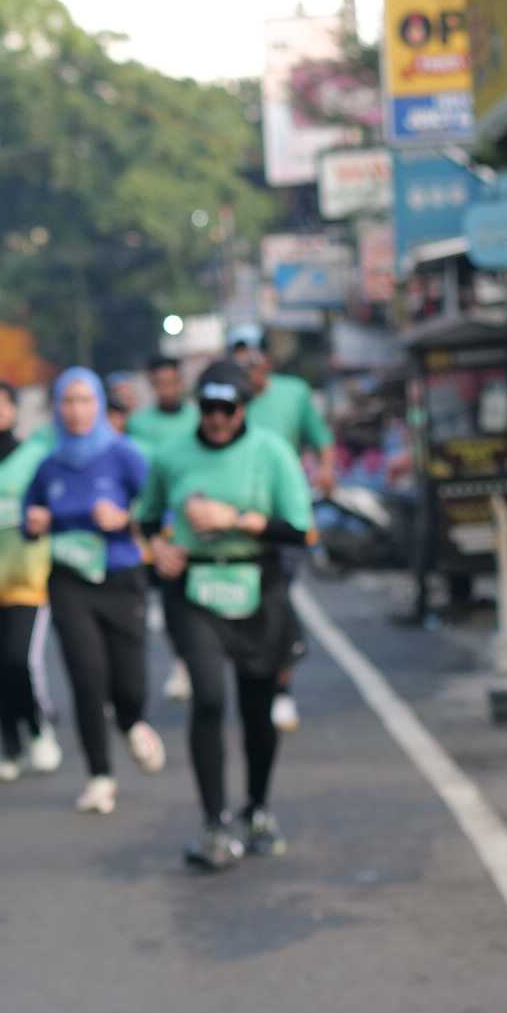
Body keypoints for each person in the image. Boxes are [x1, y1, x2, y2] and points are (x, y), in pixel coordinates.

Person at [140, 355, 318, 870]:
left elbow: (301, 529)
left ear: (243, 409)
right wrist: (159, 548)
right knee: (209, 697)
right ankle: (214, 823)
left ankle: (256, 808)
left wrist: (236, 520)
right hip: (194, 589)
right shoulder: (171, 454)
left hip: (256, 586)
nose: (217, 418)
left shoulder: (271, 452)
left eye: (227, 408)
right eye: (208, 407)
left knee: (257, 707)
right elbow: (146, 518)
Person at [20, 367, 163, 817]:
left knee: (129, 681)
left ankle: (131, 721)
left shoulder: (124, 455)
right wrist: (34, 523)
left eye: (85, 401)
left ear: (99, 405)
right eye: (68, 401)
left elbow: (160, 508)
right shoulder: (49, 464)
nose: (76, 411)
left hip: (121, 578)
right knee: (86, 678)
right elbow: (28, 516)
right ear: (56, 409)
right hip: (69, 582)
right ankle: (99, 776)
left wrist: (125, 519)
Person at [229, 327, 335, 734]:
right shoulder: (226, 402)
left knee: (277, 600)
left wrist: (326, 470)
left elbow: (321, 439)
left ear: (267, 361)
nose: (247, 368)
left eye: (253, 359)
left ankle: (281, 686)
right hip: (235, 524)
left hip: (283, 521)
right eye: (239, 360)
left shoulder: (293, 393)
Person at [0, 379, 63, 780]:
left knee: (18, 658)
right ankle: (9, 747)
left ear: (15, 411)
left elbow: (55, 500)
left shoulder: (34, 456)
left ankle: (39, 729)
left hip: (29, 576)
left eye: (4, 403)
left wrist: (46, 517)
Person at [127, 357, 199, 703]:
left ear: (181, 382)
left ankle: (194, 659)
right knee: (163, 601)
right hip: (152, 524)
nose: (167, 389)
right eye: (160, 384)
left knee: (189, 596)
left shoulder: (199, 418)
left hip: (190, 524)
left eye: (172, 382)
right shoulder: (138, 425)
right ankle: (180, 661)